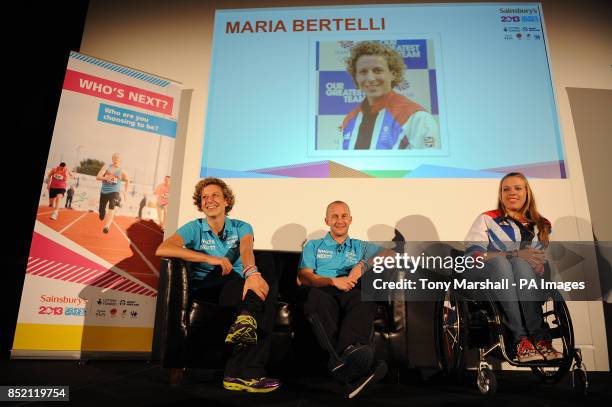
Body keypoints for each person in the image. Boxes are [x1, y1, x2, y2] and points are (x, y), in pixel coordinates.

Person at [155, 177, 280, 393]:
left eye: (215, 195)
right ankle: (245, 372)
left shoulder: (242, 226)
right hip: (210, 288)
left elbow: (246, 250)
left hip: (240, 285)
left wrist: (252, 273)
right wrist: (209, 259)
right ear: (200, 203)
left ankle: (245, 321)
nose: (209, 200)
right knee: (250, 290)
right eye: (204, 197)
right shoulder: (195, 227)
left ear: (226, 201)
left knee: (265, 263)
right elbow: (163, 249)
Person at [464, 172, 563, 363]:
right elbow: (475, 256)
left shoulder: (542, 225)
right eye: (506, 189)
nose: (512, 193)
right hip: (485, 274)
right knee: (504, 263)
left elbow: (536, 262)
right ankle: (520, 340)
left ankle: (540, 338)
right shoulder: (488, 218)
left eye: (518, 188)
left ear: (527, 192)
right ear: (500, 194)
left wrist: (537, 264)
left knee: (520, 264)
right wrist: (515, 254)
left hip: (521, 278)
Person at [298, 201, 387, 398]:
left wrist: (362, 266)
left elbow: (389, 253)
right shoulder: (313, 245)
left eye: (344, 216)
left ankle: (348, 356)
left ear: (351, 219)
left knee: (363, 299)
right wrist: (332, 280)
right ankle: (355, 373)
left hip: (349, 290)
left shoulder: (359, 246)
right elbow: (304, 276)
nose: (340, 220)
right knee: (315, 299)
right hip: (323, 289)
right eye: (335, 216)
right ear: (327, 221)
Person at [342, 41, 439, 150]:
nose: (370, 78)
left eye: (377, 70)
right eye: (363, 72)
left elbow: (428, 164)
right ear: (356, 77)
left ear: (393, 74)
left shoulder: (417, 117)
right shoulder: (349, 119)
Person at [96, 153, 129, 234]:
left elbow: (128, 180)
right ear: (112, 159)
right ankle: (102, 212)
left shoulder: (121, 170)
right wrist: (104, 177)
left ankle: (107, 226)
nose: (116, 159)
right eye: (114, 157)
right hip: (104, 191)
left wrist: (125, 191)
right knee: (101, 213)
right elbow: (97, 177)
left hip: (115, 191)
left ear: (120, 160)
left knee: (112, 204)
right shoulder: (106, 167)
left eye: (117, 158)